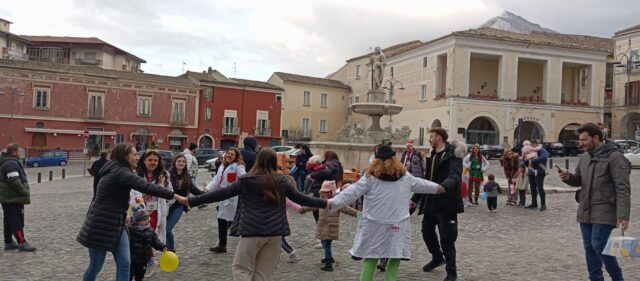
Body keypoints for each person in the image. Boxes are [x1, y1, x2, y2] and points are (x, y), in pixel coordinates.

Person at [187, 148, 328, 281]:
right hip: (275, 234)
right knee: (262, 274)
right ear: (274, 162)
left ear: (258, 161)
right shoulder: (282, 180)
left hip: (252, 232)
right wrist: (326, 203)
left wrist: (191, 201)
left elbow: (221, 194)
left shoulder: (247, 180)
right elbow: (301, 198)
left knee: (241, 269)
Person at [327, 144, 445, 281]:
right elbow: (423, 184)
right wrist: (440, 188)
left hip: (374, 224)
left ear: (376, 160)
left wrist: (332, 202)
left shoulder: (369, 178)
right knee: (395, 257)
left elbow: (351, 192)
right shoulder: (405, 177)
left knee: (371, 257)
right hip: (397, 224)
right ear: (395, 159)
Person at [77, 143, 188, 281]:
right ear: (125, 156)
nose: (137, 157)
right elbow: (146, 186)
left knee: (125, 263)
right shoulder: (120, 172)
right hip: (101, 226)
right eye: (134, 154)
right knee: (95, 266)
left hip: (118, 224)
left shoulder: (122, 171)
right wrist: (176, 196)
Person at [559, 123, 630, 281]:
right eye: (580, 140)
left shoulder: (614, 157)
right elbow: (579, 180)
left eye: (584, 140)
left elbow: (623, 188)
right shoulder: (584, 157)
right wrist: (568, 177)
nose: (581, 143)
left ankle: (617, 278)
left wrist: (623, 215)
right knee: (589, 247)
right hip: (585, 208)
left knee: (598, 243)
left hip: (606, 208)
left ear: (596, 138)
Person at [411, 128, 465, 281]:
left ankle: (451, 273)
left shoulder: (453, 155)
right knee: (426, 232)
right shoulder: (433, 155)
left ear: (439, 138)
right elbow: (427, 180)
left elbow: (455, 175)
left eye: (431, 136)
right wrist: (415, 199)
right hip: (431, 202)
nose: (429, 139)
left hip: (446, 202)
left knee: (447, 238)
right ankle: (437, 257)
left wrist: (443, 186)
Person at [300, 180, 359, 272]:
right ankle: (329, 257)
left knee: (327, 244)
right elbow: (312, 206)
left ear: (332, 192)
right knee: (324, 243)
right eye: (323, 192)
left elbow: (348, 210)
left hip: (331, 227)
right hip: (322, 226)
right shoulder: (320, 201)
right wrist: (303, 209)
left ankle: (328, 264)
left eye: (327, 192)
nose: (325, 194)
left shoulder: (337, 202)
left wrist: (358, 214)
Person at [205, 147, 245, 253]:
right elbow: (216, 180)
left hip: (235, 198)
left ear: (236, 157)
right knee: (221, 219)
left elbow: (244, 179)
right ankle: (222, 245)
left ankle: (248, 243)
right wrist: (207, 188)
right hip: (224, 197)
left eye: (232, 154)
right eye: (228, 153)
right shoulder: (222, 166)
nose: (229, 155)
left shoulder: (238, 167)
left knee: (239, 221)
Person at [0, 143, 36, 252]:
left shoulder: (6, 161)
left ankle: (9, 242)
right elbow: (14, 181)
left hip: (8, 197)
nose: (21, 153)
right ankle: (22, 242)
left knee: (8, 220)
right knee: (16, 221)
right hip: (13, 197)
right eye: (19, 151)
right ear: (14, 152)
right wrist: (24, 192)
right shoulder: (11, 163)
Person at [166, 154, 205, 252]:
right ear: (174, 162)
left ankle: (171, 250)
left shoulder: (186, 176)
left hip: (178, 206)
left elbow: (194, 190)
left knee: (167, 229)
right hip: (165, 205)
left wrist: (205, 194)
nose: (181, 163)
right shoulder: (167, 174)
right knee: (162, 229)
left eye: (183, 162)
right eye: (179, 161)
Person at [128, 204, 167, 281]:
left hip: (143, 260)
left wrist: (163, 247)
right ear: (137, 221)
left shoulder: (150, 232)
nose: (146, 221)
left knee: (140, 276)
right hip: (131, 259)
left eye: (147, 219)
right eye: (143, 220)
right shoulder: (130, 230)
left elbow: (155, 242)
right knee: (129, 276)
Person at [524, 140, 548, 211]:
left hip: (540, 172)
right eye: (530, 145)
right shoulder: (530, 151)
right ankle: (534, 204)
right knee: (532, 188)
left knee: (540, 188)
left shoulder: (542, 150)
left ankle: (543, 204)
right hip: (532, 172)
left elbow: (543, 158)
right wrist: (526, 160)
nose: (531, 146)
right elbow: (526, 161)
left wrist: (533, 161)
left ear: (536, 144)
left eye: (532, 145)